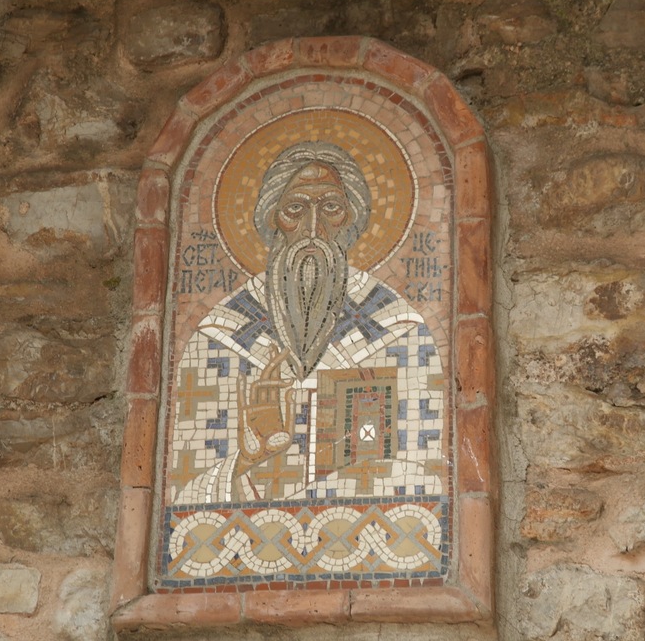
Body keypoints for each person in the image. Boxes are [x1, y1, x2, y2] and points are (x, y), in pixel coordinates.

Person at [171, 142, 445, 504]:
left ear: (350, 218)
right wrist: (246, 461)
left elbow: (430, 477)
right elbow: (182, 497)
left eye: (330, 208)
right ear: (273, 219)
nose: (313, 228)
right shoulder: (219, 335)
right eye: (295, 209)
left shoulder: (399, 329)